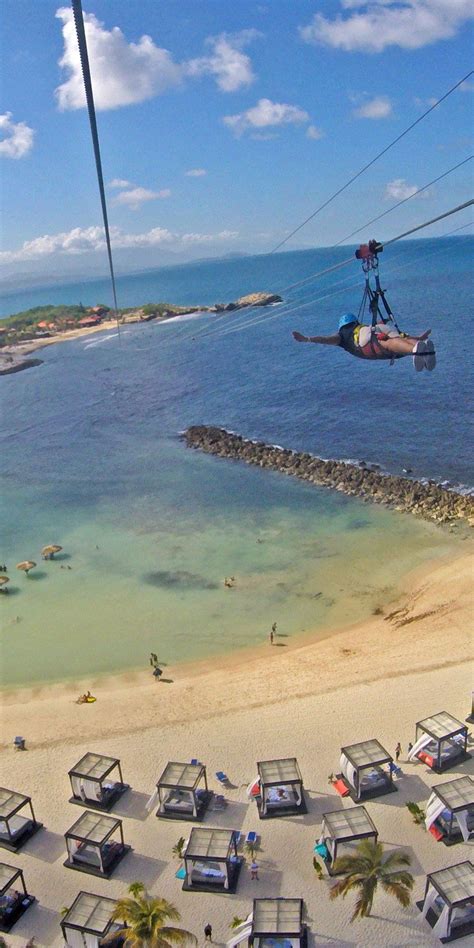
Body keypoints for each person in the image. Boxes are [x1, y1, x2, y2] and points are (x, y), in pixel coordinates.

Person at [292, 313, 435, 370]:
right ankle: (419, 345)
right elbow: (377, 326)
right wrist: (419, 337)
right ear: (355, 321)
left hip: (364, 341)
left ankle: (415, 349)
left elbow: (325, 339)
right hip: (373, 328)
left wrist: (307, 339)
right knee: (398, 338)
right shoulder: (360, 326)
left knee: (386, 343)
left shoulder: (341, 336)